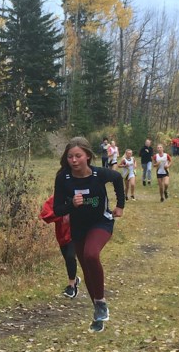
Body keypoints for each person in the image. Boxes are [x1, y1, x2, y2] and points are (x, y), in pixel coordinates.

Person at [52, 137, 125, 332]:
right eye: (70, 157)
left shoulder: (98, 174)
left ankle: (100, 302)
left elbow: (117, 179)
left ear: (88, 156)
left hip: (101, 222)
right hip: (78, 227)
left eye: (78, 156)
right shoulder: (63, 178)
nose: (74, 160)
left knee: (91, 255)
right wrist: (71, 205)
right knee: (86, 269)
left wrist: (120, 205)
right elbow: (57, 209)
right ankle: (98, 314)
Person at [38, 195, 80, 298]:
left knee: (70, 257)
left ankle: (71, 287)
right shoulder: (56, 199)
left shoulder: (79, 196)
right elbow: (44, 215)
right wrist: (59, 212)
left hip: (76, 234)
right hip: (62, 237)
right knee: (68, 259)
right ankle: (74, 280)